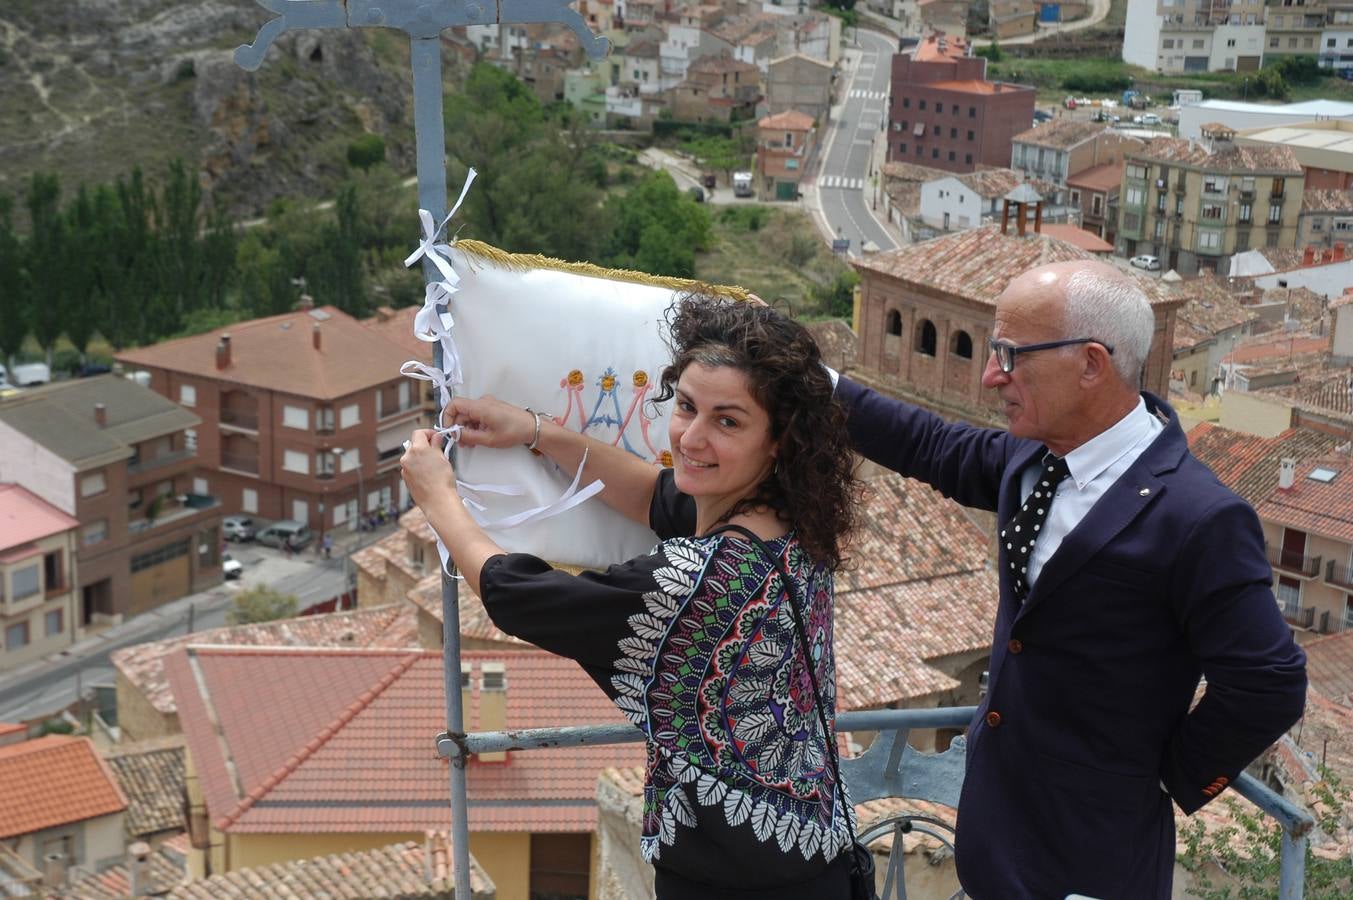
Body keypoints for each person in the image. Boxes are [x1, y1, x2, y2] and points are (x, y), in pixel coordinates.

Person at [834, 260, 1307, 900]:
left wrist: (1168, 777)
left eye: (1010, 354)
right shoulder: (1035, 457)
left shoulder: (1198, 517)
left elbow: (1269, 683)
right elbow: (932, 445)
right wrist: (816, 384)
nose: (991, 374)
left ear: (1091, 364)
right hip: (994, 839)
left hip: (1092, 859)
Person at [401, 295, 863, 899]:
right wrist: (537, 432)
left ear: (778, 440)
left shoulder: (693, 583)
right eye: (687, 408)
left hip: (736, 881)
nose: (691, 438)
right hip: (821, 854)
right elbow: (654, 494)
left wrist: (440, 501)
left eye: (728, 421)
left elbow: (519, 594)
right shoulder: (792, 527)